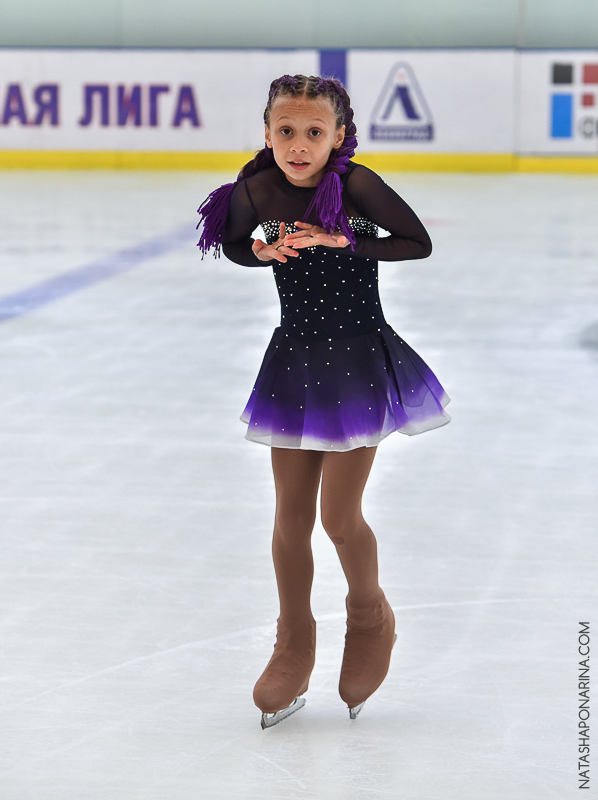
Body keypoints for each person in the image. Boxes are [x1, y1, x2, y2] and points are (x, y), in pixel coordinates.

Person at [197, 74, 450, 729]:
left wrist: (347, 241)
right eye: (286, 131)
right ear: (267, 133)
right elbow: (232, 242)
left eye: (314, 132)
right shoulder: (256, 190)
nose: (299, 145)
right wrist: (259, 250)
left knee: (339, 517)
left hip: (360, 360)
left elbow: (417, 242)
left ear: (338, 135)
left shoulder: (355, 187)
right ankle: (294, 638)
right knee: (288, 522)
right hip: (296, 362)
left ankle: (370, 615)